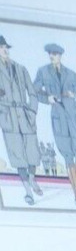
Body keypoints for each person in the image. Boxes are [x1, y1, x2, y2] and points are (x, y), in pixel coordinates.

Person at [34, 43, 76, 208]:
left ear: (60, 55)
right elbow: (34, 90)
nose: (52, 56)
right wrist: (47, 98)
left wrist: (74, 95)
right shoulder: (43, 72)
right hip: (59, 121)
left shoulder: (72, 75)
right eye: (50, 53)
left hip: (74, 120)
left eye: (54, 53)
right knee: (68, 157)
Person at [0, 34, 42, 205]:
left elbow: (32, 93)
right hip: (8, 117)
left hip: (25, 116)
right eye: (2, 48)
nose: (5, 50)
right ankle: (28, 191)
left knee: (33, 153)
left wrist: (32, 111)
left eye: (6, 48)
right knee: (18, 155)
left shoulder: (20, 68)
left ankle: (32, 179)